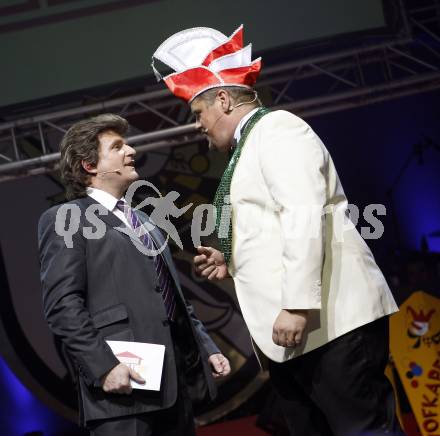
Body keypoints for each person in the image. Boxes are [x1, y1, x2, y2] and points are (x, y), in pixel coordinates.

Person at [152, 25, 404, 435]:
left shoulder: (278, 129)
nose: (197, 125)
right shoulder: (252, 145)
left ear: (221, 98)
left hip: (330, 322)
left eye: (198, 114)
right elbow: (275, 228)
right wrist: (231, 258)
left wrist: (298, 305)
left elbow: (305, 217)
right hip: (304, 336)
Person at [38, 113, 230, 436]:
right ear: (89, 166)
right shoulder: (66, 217)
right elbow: (62, 306)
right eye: (117, 147)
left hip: (174, 388)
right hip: (121, 393)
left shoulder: (148, 223)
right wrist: (104, 367)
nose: (131, 151)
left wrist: (205, 347)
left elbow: (173, 297)